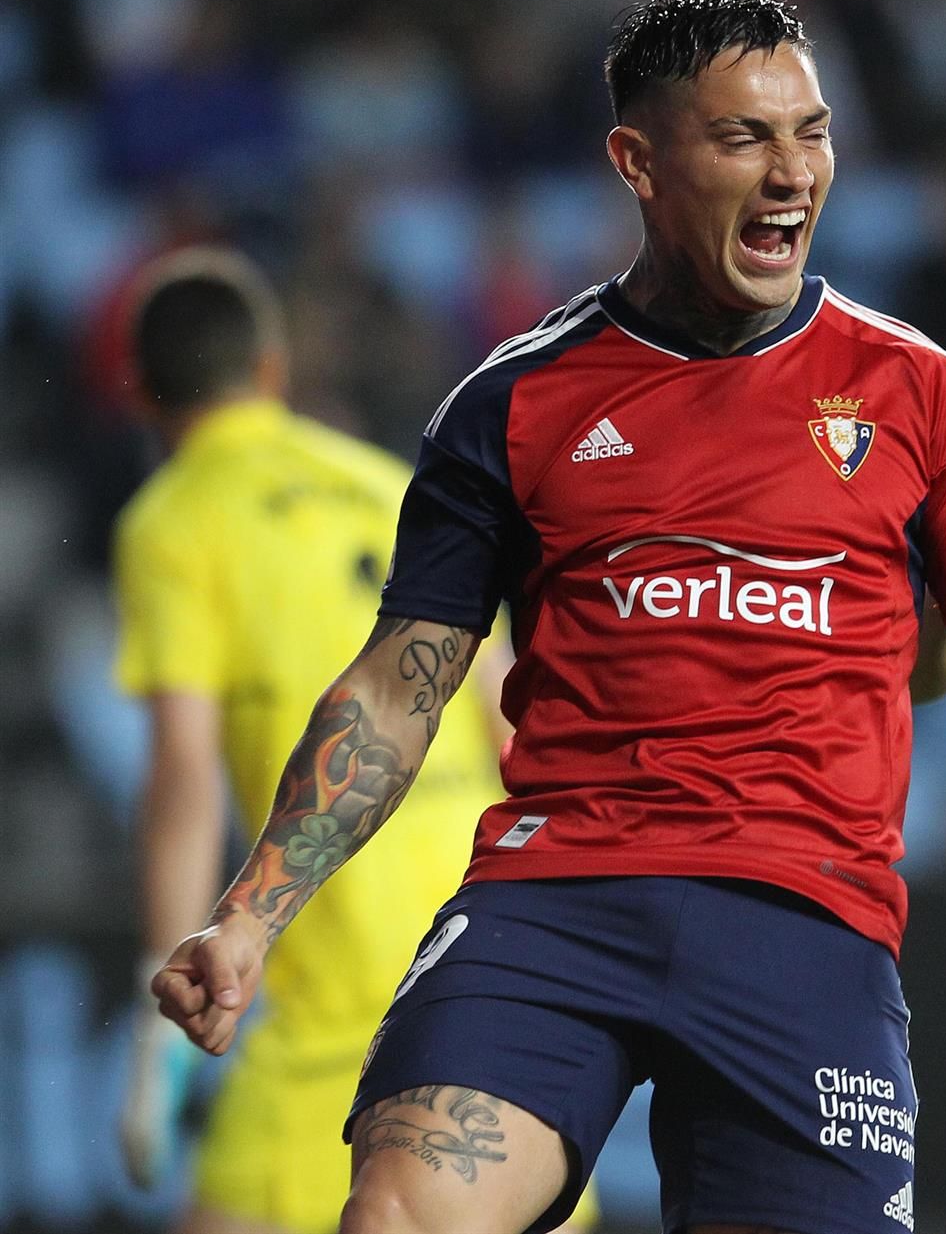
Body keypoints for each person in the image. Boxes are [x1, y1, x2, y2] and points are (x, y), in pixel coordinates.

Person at [147, 0, 946, 1234]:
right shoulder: (510, 405)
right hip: (555, 901)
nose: (793, 173)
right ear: (638, 162)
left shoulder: (926, 397)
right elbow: (397, 688)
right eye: (743, 138)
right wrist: (247, 917)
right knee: (397, 1216)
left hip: (806, 919)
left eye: (812, 133)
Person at [111, 248, 600, 1233]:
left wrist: (157, 1014)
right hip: (479, 927)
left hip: (337, 951)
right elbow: (509, 710)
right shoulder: (387, 481)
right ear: (272, 369)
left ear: (140, 396)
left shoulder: (172, 521)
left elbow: (184, 777)